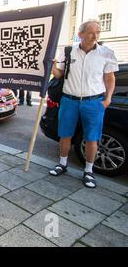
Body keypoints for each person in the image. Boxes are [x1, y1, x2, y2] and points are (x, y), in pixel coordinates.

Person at [49, 20, 118, 188]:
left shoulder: (106, 53)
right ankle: (62, 164)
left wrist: (108, 99)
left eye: (98, 32)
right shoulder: (68, 51)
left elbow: (110, 78)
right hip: (69, 100)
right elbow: (59, 75)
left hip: (94, 102)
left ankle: (88, 171)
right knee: (65, 135)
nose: (95, 36)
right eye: (91, 32)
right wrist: (52, 66)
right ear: (80, 34)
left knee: (91, 138)